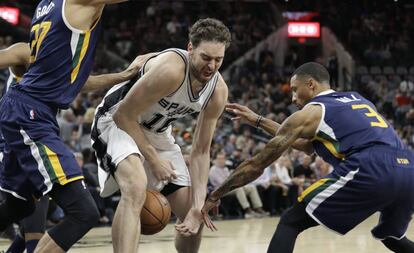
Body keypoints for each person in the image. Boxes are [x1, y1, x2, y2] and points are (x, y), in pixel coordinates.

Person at [202, 62, 414, 253]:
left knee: (290, 221)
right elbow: (306, 146)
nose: (293, 98)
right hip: (408, 167)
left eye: (295, 90)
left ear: (311, 84)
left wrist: (215, 195)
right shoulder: (360, 100)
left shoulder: (313, 111)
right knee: (392, 236)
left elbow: (256, 164)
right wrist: (258, 120)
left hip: (370, 166)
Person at [0, 1, 144, 251]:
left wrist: (123, 75)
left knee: (21, 206)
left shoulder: (44, 6)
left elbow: (73, 81)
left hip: (27, 114)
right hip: (29, 116)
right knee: (84, 212)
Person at [91, 18, 231, 252]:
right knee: (135, 186)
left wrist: (198, 205)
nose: (212, 66)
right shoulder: (172, 70)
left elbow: (201, 151)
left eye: (219, 59)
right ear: (190, 49)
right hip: (117, 121)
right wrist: (154, 160)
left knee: (194, 215)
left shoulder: (217, 91)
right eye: (206, 58)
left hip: (157, 133)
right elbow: (124, 116)